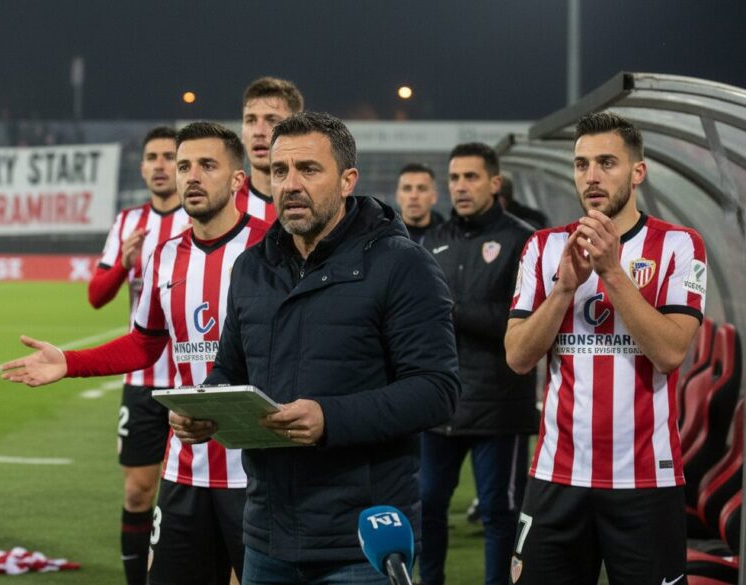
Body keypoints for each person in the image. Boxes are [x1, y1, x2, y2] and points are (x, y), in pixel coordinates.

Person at [170, 112, 461, 584]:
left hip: (362, 540)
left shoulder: (402, 265)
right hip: (267, 535)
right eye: (280, 171)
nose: (290, 184)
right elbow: (229, 367)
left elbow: (437, 390)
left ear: (347, 181)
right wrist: (208, 407)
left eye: (309, 169)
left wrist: (329, 419)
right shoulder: (251, 268)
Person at [2, 121, 269, 585]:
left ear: (237, 180)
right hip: (186, 468)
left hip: (257, 474)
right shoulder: (165, 254)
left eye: (207, 165)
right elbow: (146, 342)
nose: (191, 176)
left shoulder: (272, 248)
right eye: (185, 165)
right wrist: (70, 362)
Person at [505, 111, 706, 585]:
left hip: (645, 481)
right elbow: (517, 357)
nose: (591, 177)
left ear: (638, 172)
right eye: (581, 164)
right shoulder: (544, 247)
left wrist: (612, 273)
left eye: (607, 163)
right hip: (557, 476)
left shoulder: (679, 245)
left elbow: (670, 352)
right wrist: (562, 291)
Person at [419, 143, 538, 585]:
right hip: (441, 403)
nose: (461, 187)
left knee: (498, 512)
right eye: (454, 178)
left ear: (494, 183)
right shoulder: (434, 240)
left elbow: (523, 319)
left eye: (471, 177)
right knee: (428, 504)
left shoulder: (522, 239)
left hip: (498, 406)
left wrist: (451, 310)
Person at [86, 126, 189, 585]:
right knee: (137, 491)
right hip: (143, 380)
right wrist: (125, 264)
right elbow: (95, 295)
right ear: (143, 166)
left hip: (192, 379)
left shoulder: (199, 218)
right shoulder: (128, 223)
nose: (162, 164)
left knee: (193, 494)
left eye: (171, 156)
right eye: (154, 157)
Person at [236, 76, 305, 224]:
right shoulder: (222, 204)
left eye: (272, 120)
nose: (258, 131)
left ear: (297, 130)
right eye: (250, 120)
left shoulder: (319, 204)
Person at [395, 162, 444, 242]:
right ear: (397, 196)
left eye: (422, 189)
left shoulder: (450, 238)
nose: (414, 196)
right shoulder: (383, 239)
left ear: (434, 196)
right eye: (407, 189)